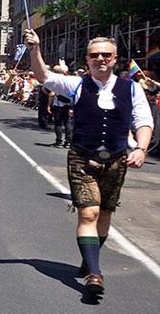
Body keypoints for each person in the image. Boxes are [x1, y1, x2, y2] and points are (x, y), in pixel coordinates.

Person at [24, 30, 153, 296]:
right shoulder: (77, 85)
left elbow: (143, 121)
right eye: (95, 55)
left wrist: (141, 148)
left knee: (104, 213)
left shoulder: (131, 88)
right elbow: (44, 76)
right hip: (82, 157)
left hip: (116, 160)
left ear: (115, 58)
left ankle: (89, 258)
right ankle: (94, 274)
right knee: (88, 213)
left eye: (106, 55)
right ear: (87, 59)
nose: (100, 59)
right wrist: (35, 49)